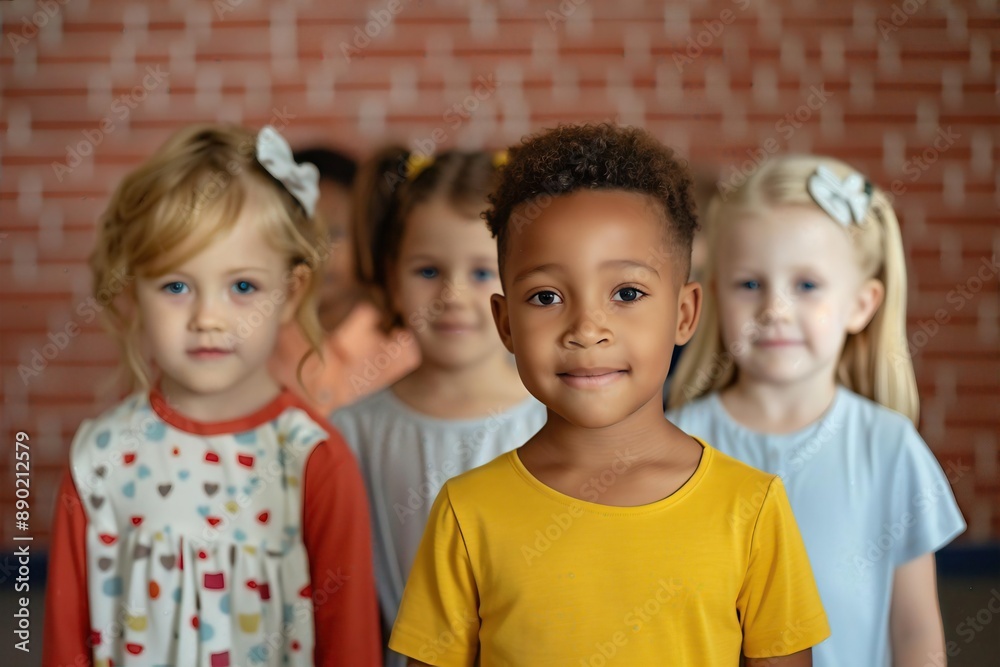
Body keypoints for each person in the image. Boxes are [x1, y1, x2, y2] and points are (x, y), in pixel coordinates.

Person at [389, 124, 831, 666]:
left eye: (627, 293)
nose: (586, 328)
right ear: (505, 323)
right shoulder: (467, 511)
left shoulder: (751, 508)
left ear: (685, 313)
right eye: (546, 296)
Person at [42, 124, 381, 667]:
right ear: (133, 292)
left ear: (289, 294)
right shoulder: (101, 458)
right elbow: (65, 641)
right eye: (176, 286)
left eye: (242, 286)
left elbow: (350, 646)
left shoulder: (313, 458)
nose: (207, 318)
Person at [667, 155, 966, 666]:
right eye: (749, 284)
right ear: (715, 294)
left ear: (861, 304)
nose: (774, 310)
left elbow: (915, 632)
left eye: (806, 286)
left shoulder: (888, 447)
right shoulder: (677, 444)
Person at [329, 146, 547, 667]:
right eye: (428, 271)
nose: (452, 295)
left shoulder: (559, 420)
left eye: (479, 273)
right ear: (390, 275)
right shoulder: (352, 433)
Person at [269, 146, 419, 414]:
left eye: (335, 233)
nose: (315, 253)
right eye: (298, 233)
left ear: (365, 237)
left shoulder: (404, 345)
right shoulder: (262, 340)